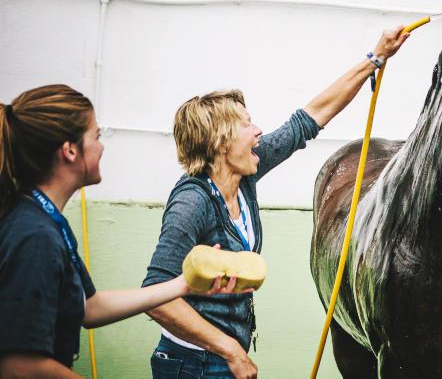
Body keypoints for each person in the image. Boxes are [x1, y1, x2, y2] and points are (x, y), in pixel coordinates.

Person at [143, 27, 410, 378]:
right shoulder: (192, 202)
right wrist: (231, 351)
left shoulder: (243, 174)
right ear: (220, 142)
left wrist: (376, 57)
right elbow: (156, 296)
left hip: (223, 357)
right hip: (192, 364)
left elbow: (310, 118)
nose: (258, 131)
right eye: (246, 124)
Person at [0, 85, 244, 379]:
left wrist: (183, 286)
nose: (102, 147)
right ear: (70, 151)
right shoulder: (34, 235)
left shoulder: (47, 223)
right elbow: (18, 366)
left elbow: (90, 308)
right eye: (96, 136)